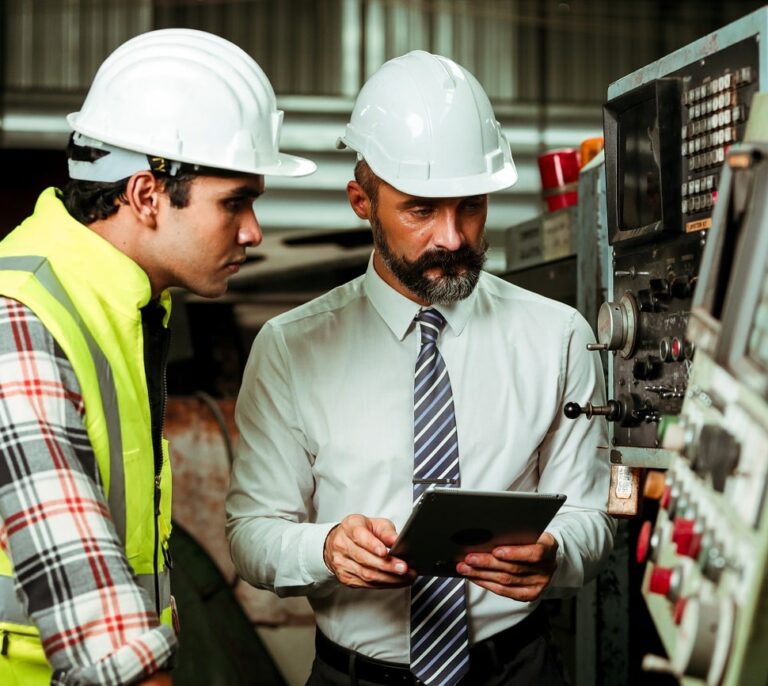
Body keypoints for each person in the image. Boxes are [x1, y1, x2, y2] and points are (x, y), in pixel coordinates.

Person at [227, 50, 614, 686]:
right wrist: (324, 549)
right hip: (357, 675)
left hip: (516, 667)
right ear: (362, 201)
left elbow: (591, 513)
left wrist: (557, 552)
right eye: (420, 211)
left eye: (471, 207)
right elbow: (251, 534)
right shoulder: (290, 348)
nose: (453, 238)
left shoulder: (558, 336)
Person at [0, 28, 315, 686]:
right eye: (236, 203)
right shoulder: (21, 317)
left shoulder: (129, 304)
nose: (254, 232)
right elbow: (90, 613)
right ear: (146, 195)